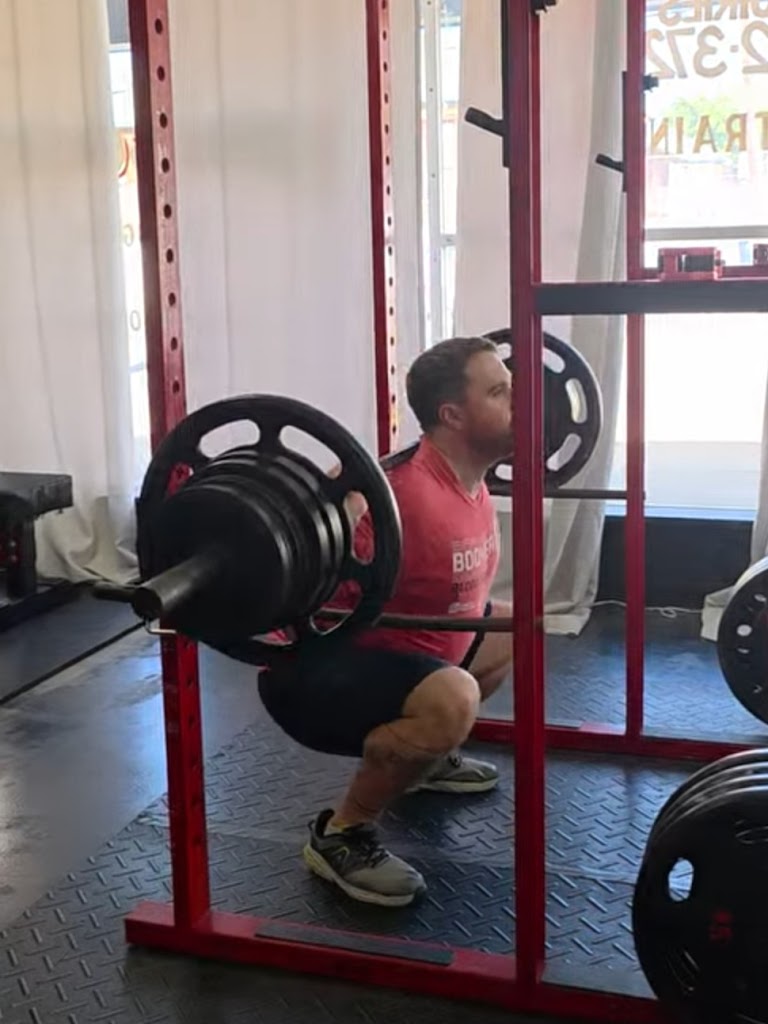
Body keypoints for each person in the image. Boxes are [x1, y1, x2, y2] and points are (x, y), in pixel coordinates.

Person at [258, 336, 515, 907]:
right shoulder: (390, 490)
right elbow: (296, 557)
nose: (520, 400)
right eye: (500, 391)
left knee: (509, 631)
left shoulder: (471, 481)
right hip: (313, 676)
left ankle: (424, 759)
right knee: (454, 698)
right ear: (453, 415)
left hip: (407, 653)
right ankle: (341, 833)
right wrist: (323, 516)